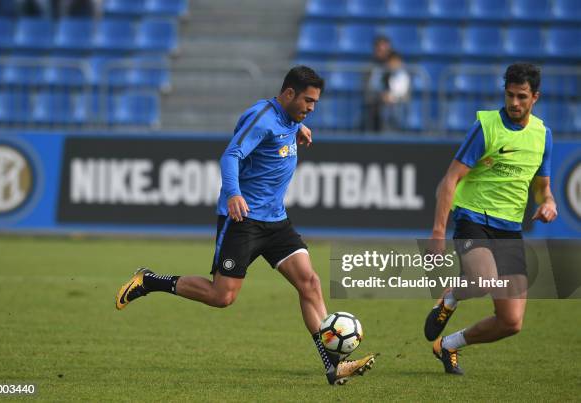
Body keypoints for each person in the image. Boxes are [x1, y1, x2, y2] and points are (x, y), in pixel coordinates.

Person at [115, 66, 375, 386]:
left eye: (315, 103)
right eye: (308, 101)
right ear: (289, 93)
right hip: (243, 220)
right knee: (222, 296)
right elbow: (231, 154)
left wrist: (298, 129)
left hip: (277, 221)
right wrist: (234, 194)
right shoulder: (262, 117)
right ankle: (150, 281)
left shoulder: (289, 120)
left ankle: (333, 366)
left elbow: (282, 131)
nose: (311, 108)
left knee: (309, 282)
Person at [424, 63, 557, 375]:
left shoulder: (542, 136)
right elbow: (450, 180)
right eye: (509, 95)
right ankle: (451, 298)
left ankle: (449, 345)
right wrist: (438, 231)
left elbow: (542, 187)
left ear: (535, 97)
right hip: (473, 218)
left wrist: (549, 202)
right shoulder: (487, 126)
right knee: (483, 280)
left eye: (522, 96)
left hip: (509, 230)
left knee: (511, 322)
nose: (514, 103)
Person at [366, 49, 410, 132]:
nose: (393, 64)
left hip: (398, 105)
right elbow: (374, 86)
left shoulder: (403, 75)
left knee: (396, 110)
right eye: (391, 61)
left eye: (395, 61)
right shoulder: (380, 72)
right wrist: (381, 95)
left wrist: (392, 97)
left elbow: (402, 91)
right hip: (381, 103)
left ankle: (397, 131)